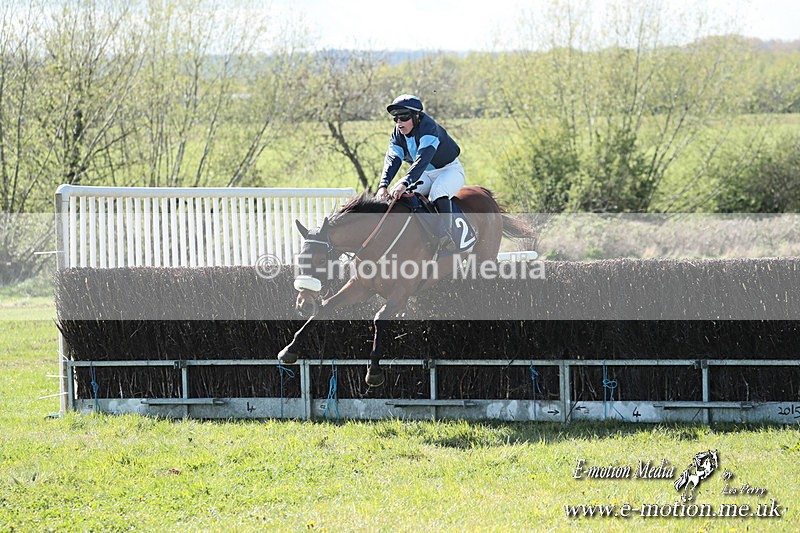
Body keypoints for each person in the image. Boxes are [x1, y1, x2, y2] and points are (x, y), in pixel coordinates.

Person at [376, 94, 465, 252]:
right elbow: (392, 160)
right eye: (395, 119)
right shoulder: (398, 133)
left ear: (417, 116)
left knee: (437, 192)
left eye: (403, 117)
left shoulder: (428, 127)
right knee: (395, 193)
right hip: (424, 174)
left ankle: (447, 237)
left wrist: (405, 182)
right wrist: (383, 186)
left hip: (449, 170)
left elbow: (423, 159)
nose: (399, 123)